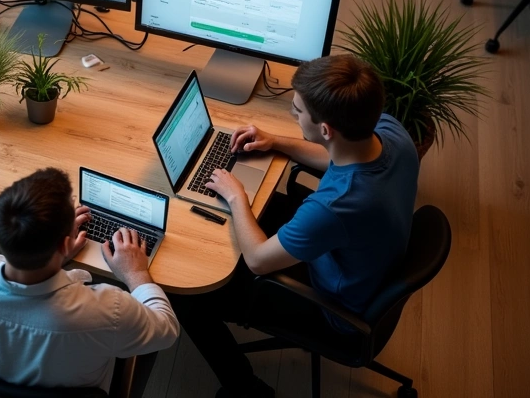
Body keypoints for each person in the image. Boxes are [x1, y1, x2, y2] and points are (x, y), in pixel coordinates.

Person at [169, 54, 419, 398]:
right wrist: (275, 141)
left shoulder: (335, 206)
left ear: (326, 130)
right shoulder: (392, 132)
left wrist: (236, 196)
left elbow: (257, 259)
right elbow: (337, 155)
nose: (292, 114)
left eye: (298, 111)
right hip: (360, 257)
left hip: (332, 308)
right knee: (258, 208)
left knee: (187, 293)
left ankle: (246, 389)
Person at [0, 168, 180, 395]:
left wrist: (54, 256)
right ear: (65, 243)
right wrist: (135, 273)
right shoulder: (107, 311)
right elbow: (166, 329)